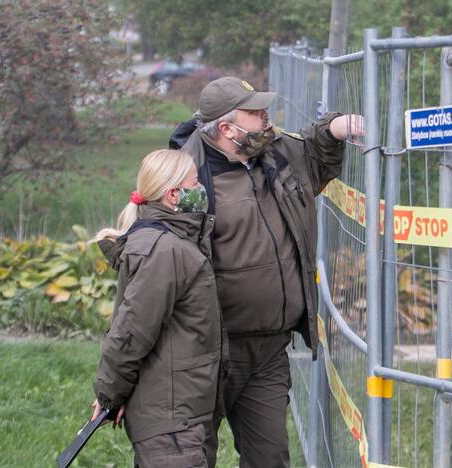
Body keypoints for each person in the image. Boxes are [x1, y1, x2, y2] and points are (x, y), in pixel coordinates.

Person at [169, 76, 363, 467]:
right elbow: (162, 265)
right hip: (206, 353)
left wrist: (337, 128)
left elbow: (313, 152)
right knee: (190, 458)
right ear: (226, 128)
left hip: (269, 350)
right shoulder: (185, 178)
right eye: (255, 113)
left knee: (270, 458)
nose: (266, 118)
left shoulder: (274, 152)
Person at [91, 149, 220, 467]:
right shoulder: (165, 250)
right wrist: (110, 396)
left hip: (179, 413)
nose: (202, 188)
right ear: (173, 195)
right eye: (195, 181)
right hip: (170, 421)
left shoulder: (175, 241)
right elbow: (131, 333)